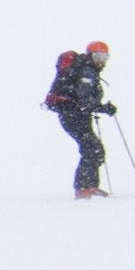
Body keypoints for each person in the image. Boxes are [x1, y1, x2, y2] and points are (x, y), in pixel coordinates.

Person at [44, 40, 117, 198]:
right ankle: (83, 188)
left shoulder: (85, 70)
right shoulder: (86, 72)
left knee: (93, 149)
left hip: (74, 115)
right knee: (93, 149)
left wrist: (97, 107)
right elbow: (84, 100)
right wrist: (103, 108)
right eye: (98, 56)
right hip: (73, 116)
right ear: (90, 55)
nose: (101, 61)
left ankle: (89, 186)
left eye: (105, 57)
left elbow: (84, 101)